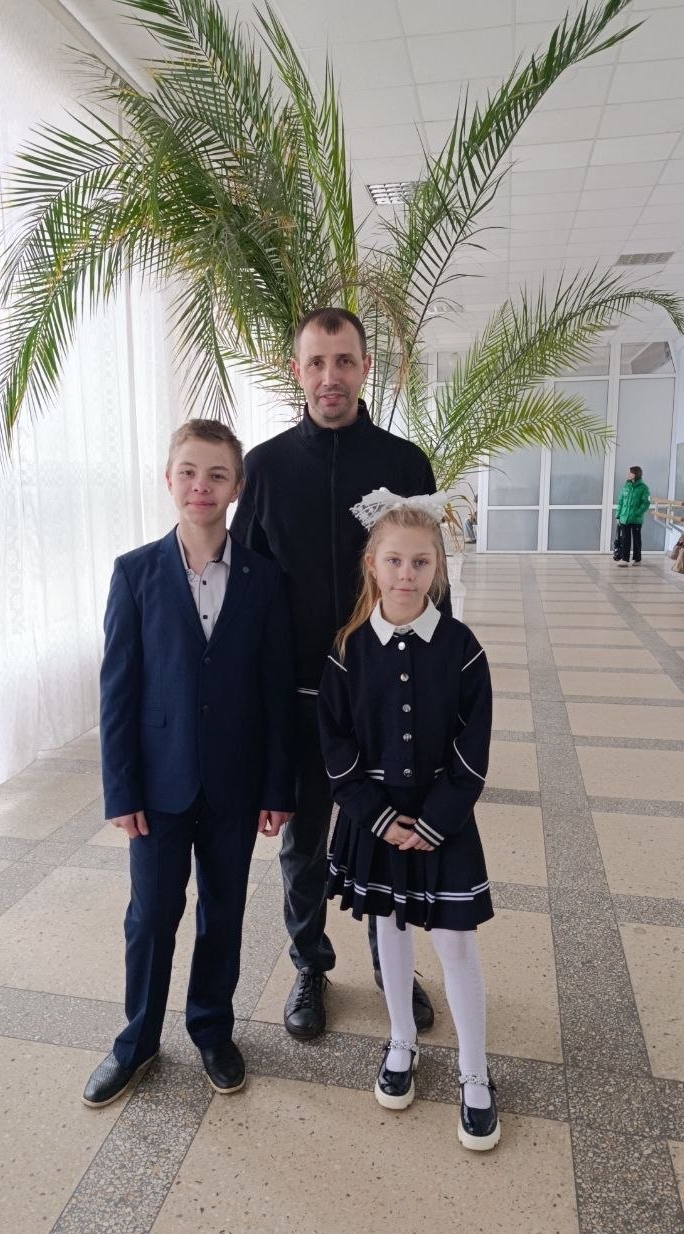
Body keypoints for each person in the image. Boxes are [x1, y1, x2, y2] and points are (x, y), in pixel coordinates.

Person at [231, 307, 440, 1041]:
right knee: (303, 844)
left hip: (385, 696)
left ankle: (393, 967)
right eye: (316, 362)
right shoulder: (264, 468)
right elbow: (246, 589)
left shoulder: (405, 464)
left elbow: (431, 580)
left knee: (391, 833)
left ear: (365, 368)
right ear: (297, 371)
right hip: (299, 700)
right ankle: (309, 965)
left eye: (344, 361)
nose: (330, 377)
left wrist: (435, 685)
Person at [83, 419, 295, 1108]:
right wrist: (121, 790)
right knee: (151, 915)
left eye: (216, 475)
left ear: (237, 487)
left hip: (236, 784)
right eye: (188, 472)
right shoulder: (135, 573)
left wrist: (278, 786)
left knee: (223, 913)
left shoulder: (265, 579)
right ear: (168, 479)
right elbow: (118, 692)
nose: (201, 486)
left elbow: (276, 693)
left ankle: (212, 1030)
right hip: (157, 786)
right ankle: (137, 1041)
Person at [318, 493, 499, 1151]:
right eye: (394, 560)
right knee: (388, 930)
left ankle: (475, 1071)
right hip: (376, 822)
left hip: (441, 823)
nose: (406, 574)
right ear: (372, 564)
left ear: (437, 569)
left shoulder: (462, 648)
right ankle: (401, 1042)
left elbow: (471, 751)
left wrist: (433, 822)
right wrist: (377, 817)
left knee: (455, 944)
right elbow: (336, 746)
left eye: (420, 562)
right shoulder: (347, 650)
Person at [614, 466, 651, 565]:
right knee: (625, 539)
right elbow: (620, 502)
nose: (629, 474)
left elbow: (646, 503)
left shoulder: (644, 488)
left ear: (636, 474)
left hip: (636, 519)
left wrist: (637, 513)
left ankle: (637, 559)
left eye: (631, 473)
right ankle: (625, 559)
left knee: (636, 539)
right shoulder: (626, 486)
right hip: (624, 518)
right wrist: (618, 516)